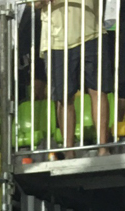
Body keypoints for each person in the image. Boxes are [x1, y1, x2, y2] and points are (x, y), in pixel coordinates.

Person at [39, 0, 111, 153]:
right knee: (63, 97)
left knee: (98, 89)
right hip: (55, 40)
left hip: (92, 31)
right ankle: (68, 152)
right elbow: (34, 3)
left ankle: (103, 148)